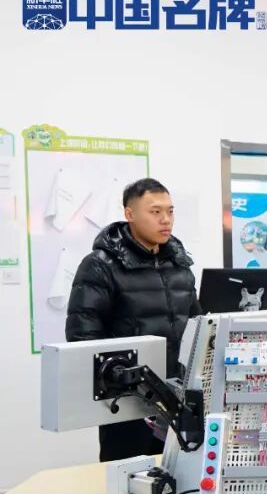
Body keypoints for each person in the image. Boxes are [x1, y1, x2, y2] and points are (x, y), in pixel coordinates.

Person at [66, 178, 200, 462]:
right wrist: (118, 382)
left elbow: (197, 327)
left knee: (177, 476)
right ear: (130, 214)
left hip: (176, 400)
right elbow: (83, 336)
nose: (165, 219)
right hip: (127, 404)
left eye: (170, 211)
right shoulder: (100, 265)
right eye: (155, 212)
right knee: (124, 478)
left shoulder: (180, 265)